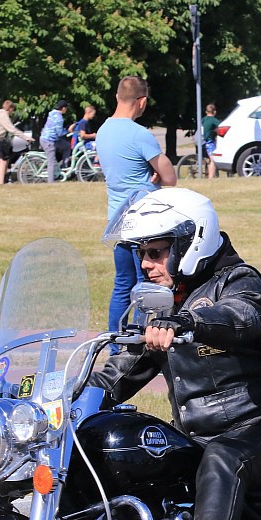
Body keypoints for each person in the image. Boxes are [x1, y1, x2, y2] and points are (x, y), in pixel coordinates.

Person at [90, 188, 261, 520]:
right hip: (200, 439)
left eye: (156, 252)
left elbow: (244, 316)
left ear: (191, 242)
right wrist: (63, 400)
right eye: (142, 254)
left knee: (224, 456)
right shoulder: (162, 308)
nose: (147, 265)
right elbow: (121, 373)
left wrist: (190, 321)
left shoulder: (240, 282)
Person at [96, 76, 177, 346]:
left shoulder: (103, 130)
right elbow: (169, 177)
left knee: (122, 285)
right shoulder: (139, 134)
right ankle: (143, 343)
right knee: (148, 285)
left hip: (117, 223)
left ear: (118, 97)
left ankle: (117, 343)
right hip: (145, 225)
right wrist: (153, 175)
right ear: (141, 101)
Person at [0, 99, 30, 185]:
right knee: (3, 161)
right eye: (13, 110)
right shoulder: (3, 116)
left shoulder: (1, 114)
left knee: (7, 157)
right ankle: (0, 183)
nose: (13, 112)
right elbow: (12, 129)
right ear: (10, 108)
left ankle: (5, 178)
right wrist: (25, 137)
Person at [39, 99, 71, 183]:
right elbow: (60, 133)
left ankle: (64, 167)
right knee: (51, 161)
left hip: (51, 139)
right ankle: (51, 182)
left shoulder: (52, 113)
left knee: (67, 146)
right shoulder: (59, 118)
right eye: (66, 108)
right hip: (48, 141)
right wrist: (68, 130)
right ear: (63, 108)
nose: (66, 110)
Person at [200, 103, 220, 178]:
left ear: (206, 112)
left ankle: (212, 175)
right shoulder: (214, 120)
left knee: (211, 159)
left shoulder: (203, 119)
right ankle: (210, 178)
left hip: (201, 141)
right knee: (213, 160)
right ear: (214, 112)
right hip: (209, 142)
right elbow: (221, 126)